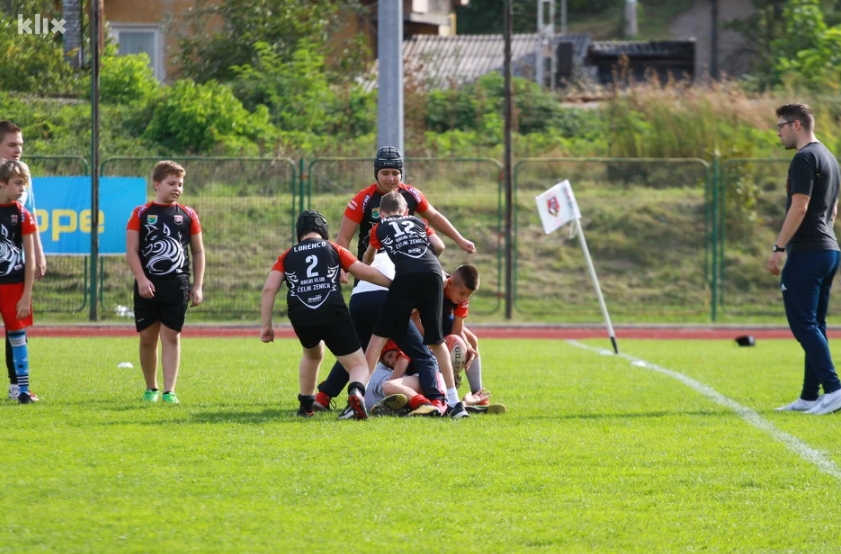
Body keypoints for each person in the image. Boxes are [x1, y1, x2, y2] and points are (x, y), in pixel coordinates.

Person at [260, 210, 392, 420]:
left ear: (299, 232)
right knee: (358, 364)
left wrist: (266, 326)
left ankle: (306, 406)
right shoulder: (333, 248)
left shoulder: (286, 255)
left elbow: (269, 289)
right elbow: (364, 271)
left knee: (311, 354)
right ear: (323, 230)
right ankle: (356, 393)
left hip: (301, 313)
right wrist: (394, 284)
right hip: (332, 311)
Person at [363, 190, 469, 418]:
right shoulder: (418, 221)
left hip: (405, 277)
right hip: (434, 274)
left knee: (378, 338)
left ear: (381, 213)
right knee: (437, 341)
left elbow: (368, 258)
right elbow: (439, 246)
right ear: (405, 211)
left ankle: (358, 395)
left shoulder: (378, 228)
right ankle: (454, 402)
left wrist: (371, 260)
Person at [312, 250, 447, 419]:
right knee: (423, 355)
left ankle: (323, 396)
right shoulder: (409, 254)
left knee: (355, 355)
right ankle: (437, 401)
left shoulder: (376, 254)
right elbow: (437, 276)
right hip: (385, 297)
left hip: (358, 300)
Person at [770, 104, 841, 415]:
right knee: (815, 325)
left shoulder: (804, 157)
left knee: (803, 324)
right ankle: (810, 396)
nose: (778, 132)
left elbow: (800, 206)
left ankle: (834, 389)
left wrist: (779, 247)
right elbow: (833, 210)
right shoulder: (829, 157)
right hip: (829, 250)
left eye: (781, 126)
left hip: (809, 253)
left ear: (796, 125)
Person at [126, 161, 205, 404]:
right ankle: (151, 388)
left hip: (177, 285)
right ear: (157, 184)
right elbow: (131, 251)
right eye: (171, 183)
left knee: (171, 336)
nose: (177, 188)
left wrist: (197, 285)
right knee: (147, 339)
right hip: (148, 285)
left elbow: (198, 252)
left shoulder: (188, 214)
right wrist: (141, 280)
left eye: (180, 184)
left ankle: (170, 391)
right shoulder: (140, 213)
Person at [0, 121, 45, 402]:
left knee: (16, 330)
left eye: (21, 145)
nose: (18, 150)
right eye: (12, 144)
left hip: (13, 273)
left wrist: (38, 254)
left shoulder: (22, 176)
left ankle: (18, 386)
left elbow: (31, 215)